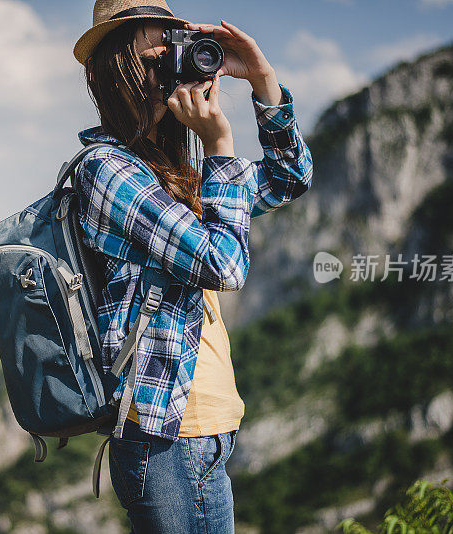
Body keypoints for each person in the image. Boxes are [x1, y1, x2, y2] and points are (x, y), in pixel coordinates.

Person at [72, 1, 314, 532]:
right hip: (164, 437)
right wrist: (220, 144)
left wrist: (263, 82)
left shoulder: (177, 169)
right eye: (156, 56)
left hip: (205, 429)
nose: (170, 69)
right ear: (118, 71)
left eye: (175, 50)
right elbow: (223, 265)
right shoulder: (108, 170)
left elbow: (289, 177)